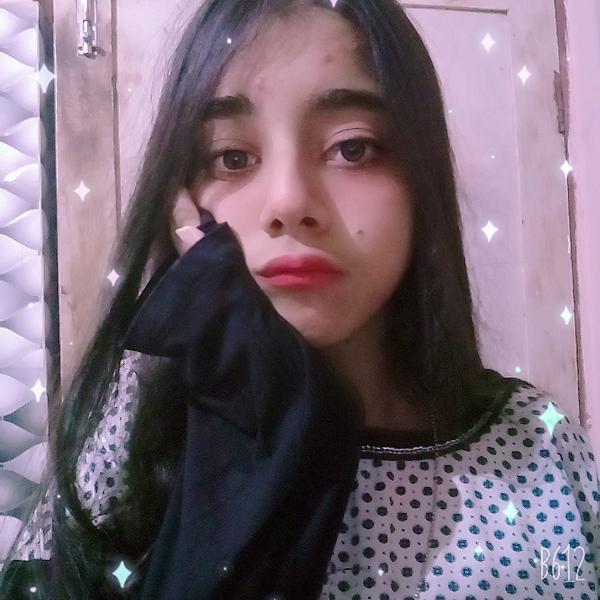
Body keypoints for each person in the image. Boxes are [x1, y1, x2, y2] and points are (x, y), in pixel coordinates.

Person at [1, 0, 598, 598]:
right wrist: (246, 403)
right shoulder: (130, 434)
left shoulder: (536, 446)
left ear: (420, 180)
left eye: (353, 148)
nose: (288, 202)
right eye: (232, 158)